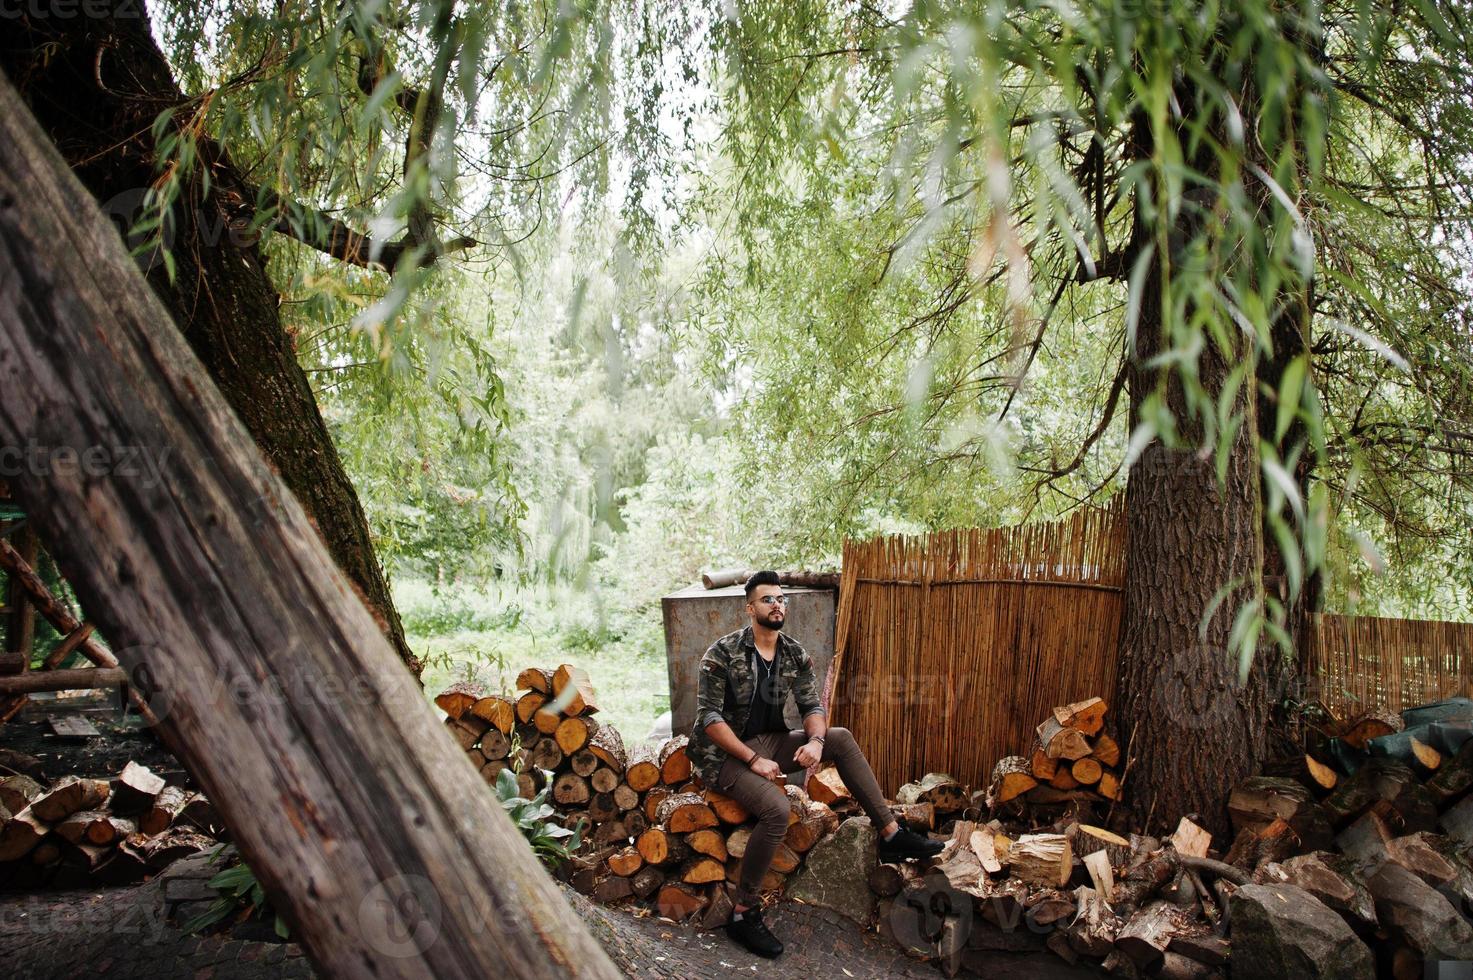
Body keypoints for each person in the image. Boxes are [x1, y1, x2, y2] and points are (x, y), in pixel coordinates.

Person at [686, 570, 943, 958]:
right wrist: (753, 759)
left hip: (769, 742)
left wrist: (817, 741)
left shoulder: (793, 652)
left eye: (781, 599)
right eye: (767, 599)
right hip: (722, 755)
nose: (777, 604)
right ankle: (743, 912)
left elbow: (812, 707)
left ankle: (891, 834)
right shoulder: (721, 654)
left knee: (838, 736)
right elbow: (709, 719)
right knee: (776, 808)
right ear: (749, 608)